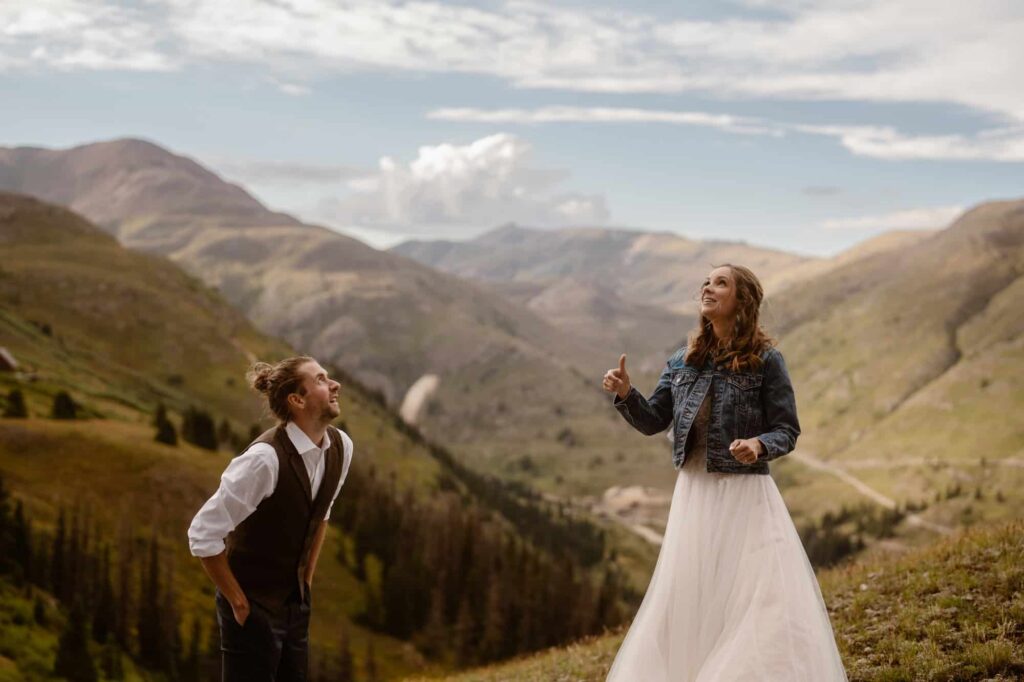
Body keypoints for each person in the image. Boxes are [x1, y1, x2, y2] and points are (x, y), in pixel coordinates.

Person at [602, 264, 848, 681]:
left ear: (743, 301)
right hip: (693, 496)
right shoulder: (682, 362)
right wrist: (626, 394)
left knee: (759, 599)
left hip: (745, 496)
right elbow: (654, 420)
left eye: (721, 282)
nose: (708, 287)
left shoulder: (766, 361)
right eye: (706, 281)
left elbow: (787, 429)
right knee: (691, 597)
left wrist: (759, 444)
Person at [188, 356, 354, 682]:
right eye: (321, 380)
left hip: (295, 604)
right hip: (253, 608)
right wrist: (238, 603)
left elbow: (322, 514)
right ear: (297, 400)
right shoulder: (264, 460)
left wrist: (305, 582)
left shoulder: (341, 447)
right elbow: (202, 534)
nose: (335, 385)